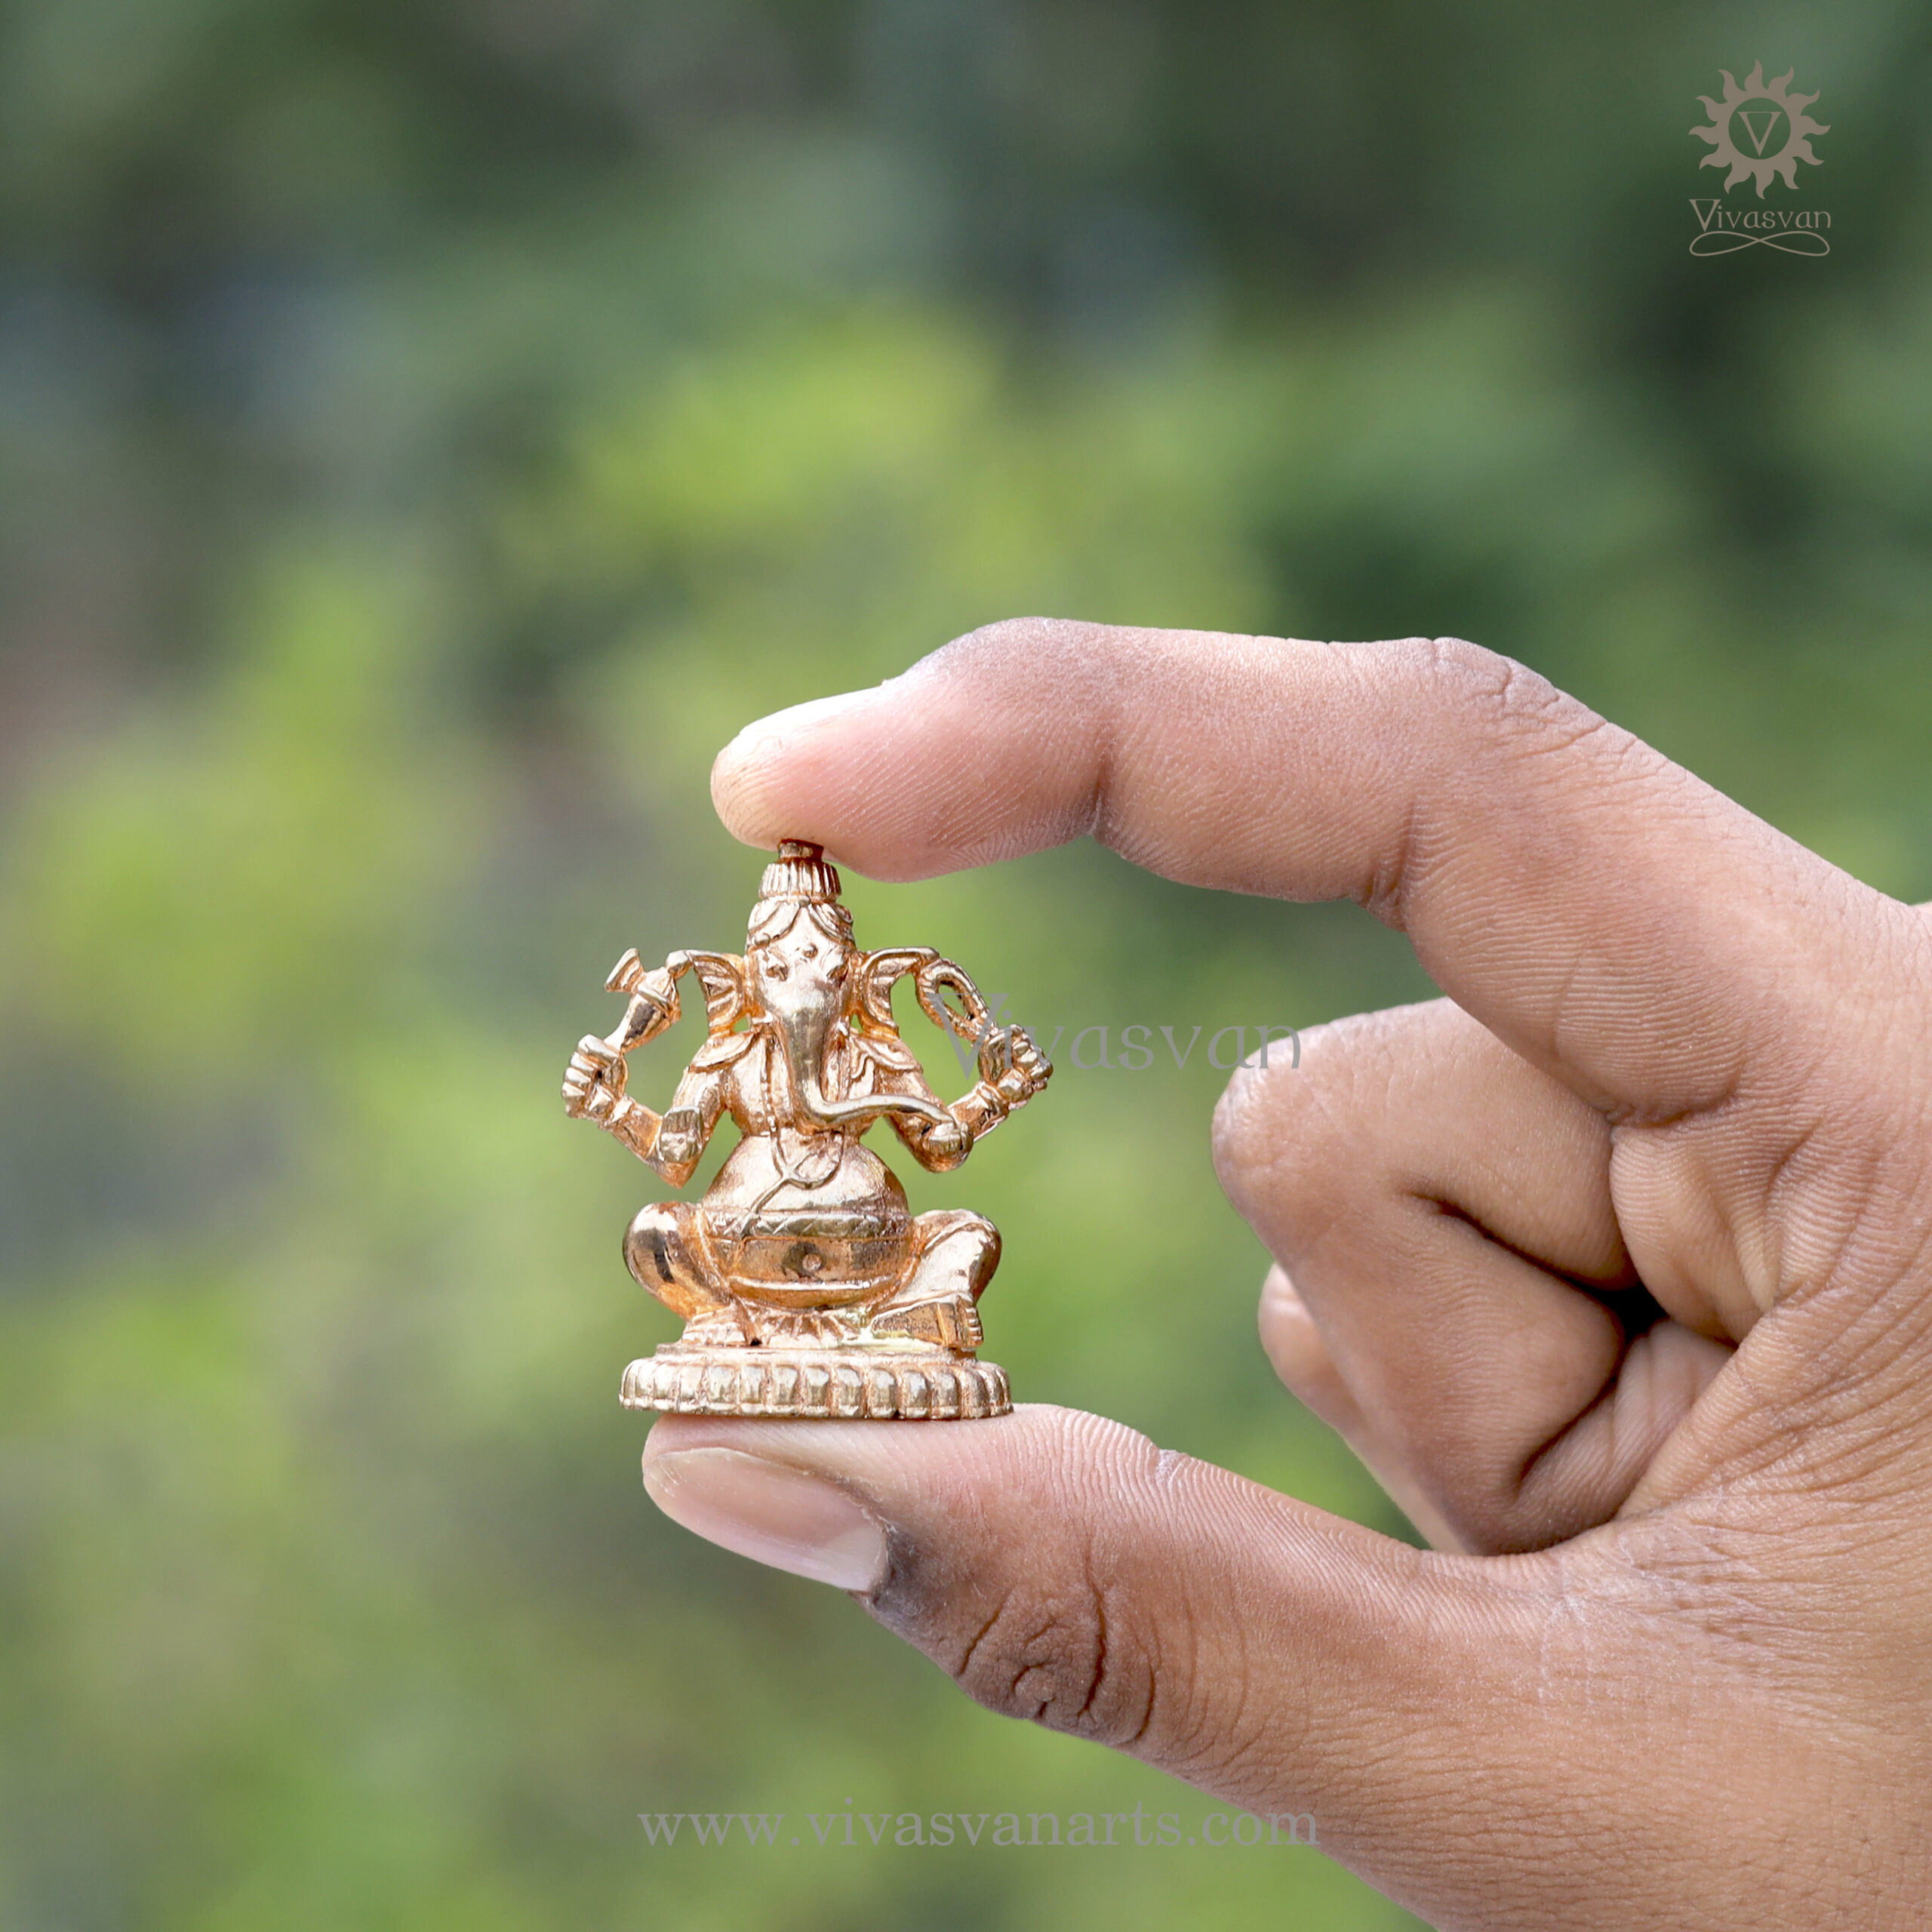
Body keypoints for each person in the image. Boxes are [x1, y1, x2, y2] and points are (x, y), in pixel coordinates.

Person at [641, 619, 1931, 1929]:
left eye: (821, 962)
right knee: (659, 1239)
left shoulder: (870, 1051)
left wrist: (989, 1089)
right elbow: (678, 1151)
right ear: (750, 973)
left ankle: (866, 1326)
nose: (803, 980)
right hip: (746, 1246)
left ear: (851, 969)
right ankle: (750, 1324)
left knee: (959, 1239)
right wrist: (621, 1099)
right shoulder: (732, 1053)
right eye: (783, 965)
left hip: (869, 1242)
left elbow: (937, 1148)